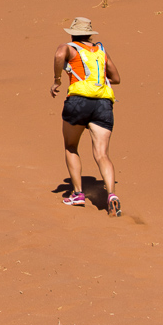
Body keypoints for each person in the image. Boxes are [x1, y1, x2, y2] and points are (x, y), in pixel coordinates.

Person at [50, 17, 122, 217]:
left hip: (79, 102)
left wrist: (57, 80)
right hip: (103, 104)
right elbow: (116, 78)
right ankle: (112, 196)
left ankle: (78, 194)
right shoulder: (101, 52)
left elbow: (58, 55)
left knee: (71, 146)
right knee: (102, 154)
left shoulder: (70, 47)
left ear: (73, 33)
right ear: (90, 34)